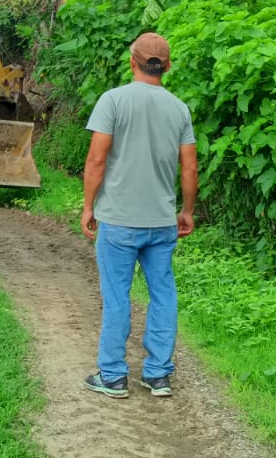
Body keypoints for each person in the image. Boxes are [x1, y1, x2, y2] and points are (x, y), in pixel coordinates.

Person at [81, 32, 198, 400]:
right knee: (163, 294)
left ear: (133, 62)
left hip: (118, 220)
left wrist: (88, 206)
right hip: (161, 222)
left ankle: (113, 376)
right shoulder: (179, 109)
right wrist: (187, 210)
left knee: (117, 297)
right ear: (168, 66)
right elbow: (189, 168)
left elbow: (97, 159)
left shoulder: (113, 101)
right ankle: (158, 375)